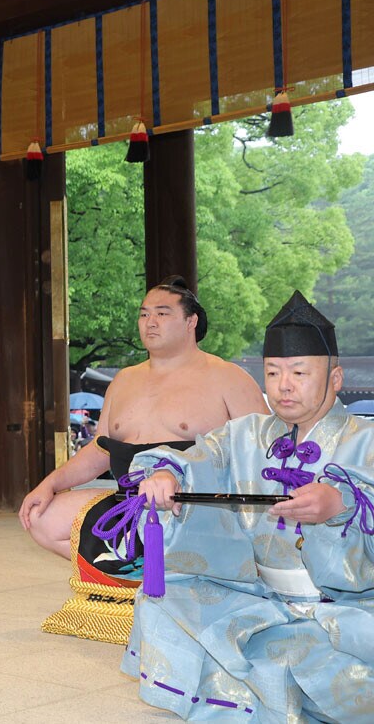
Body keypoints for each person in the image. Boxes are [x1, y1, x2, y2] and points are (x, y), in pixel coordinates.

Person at [125, 291, 374, 722]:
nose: (284, 385)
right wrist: (166, 475)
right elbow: (198, 458)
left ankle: (269, 676)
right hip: (257, 595)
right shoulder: (246, 433)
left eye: (299, 372)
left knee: (319, 663)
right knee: (160, 596)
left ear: (335, 378)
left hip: (346, 606)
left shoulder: (366, 438)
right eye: (273, 373)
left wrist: (341, 501)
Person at [19, 277, 268, 560]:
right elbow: (100, 450)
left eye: (162, 314)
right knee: (41, 518)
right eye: (144, 314)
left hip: (196, 505)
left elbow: (261, 452)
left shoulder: (228, 377)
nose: (150, 322)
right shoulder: (124, 380)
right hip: (129, 500)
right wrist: (50, 483)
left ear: (191, 322)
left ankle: (175, 574)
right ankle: (131, 574)